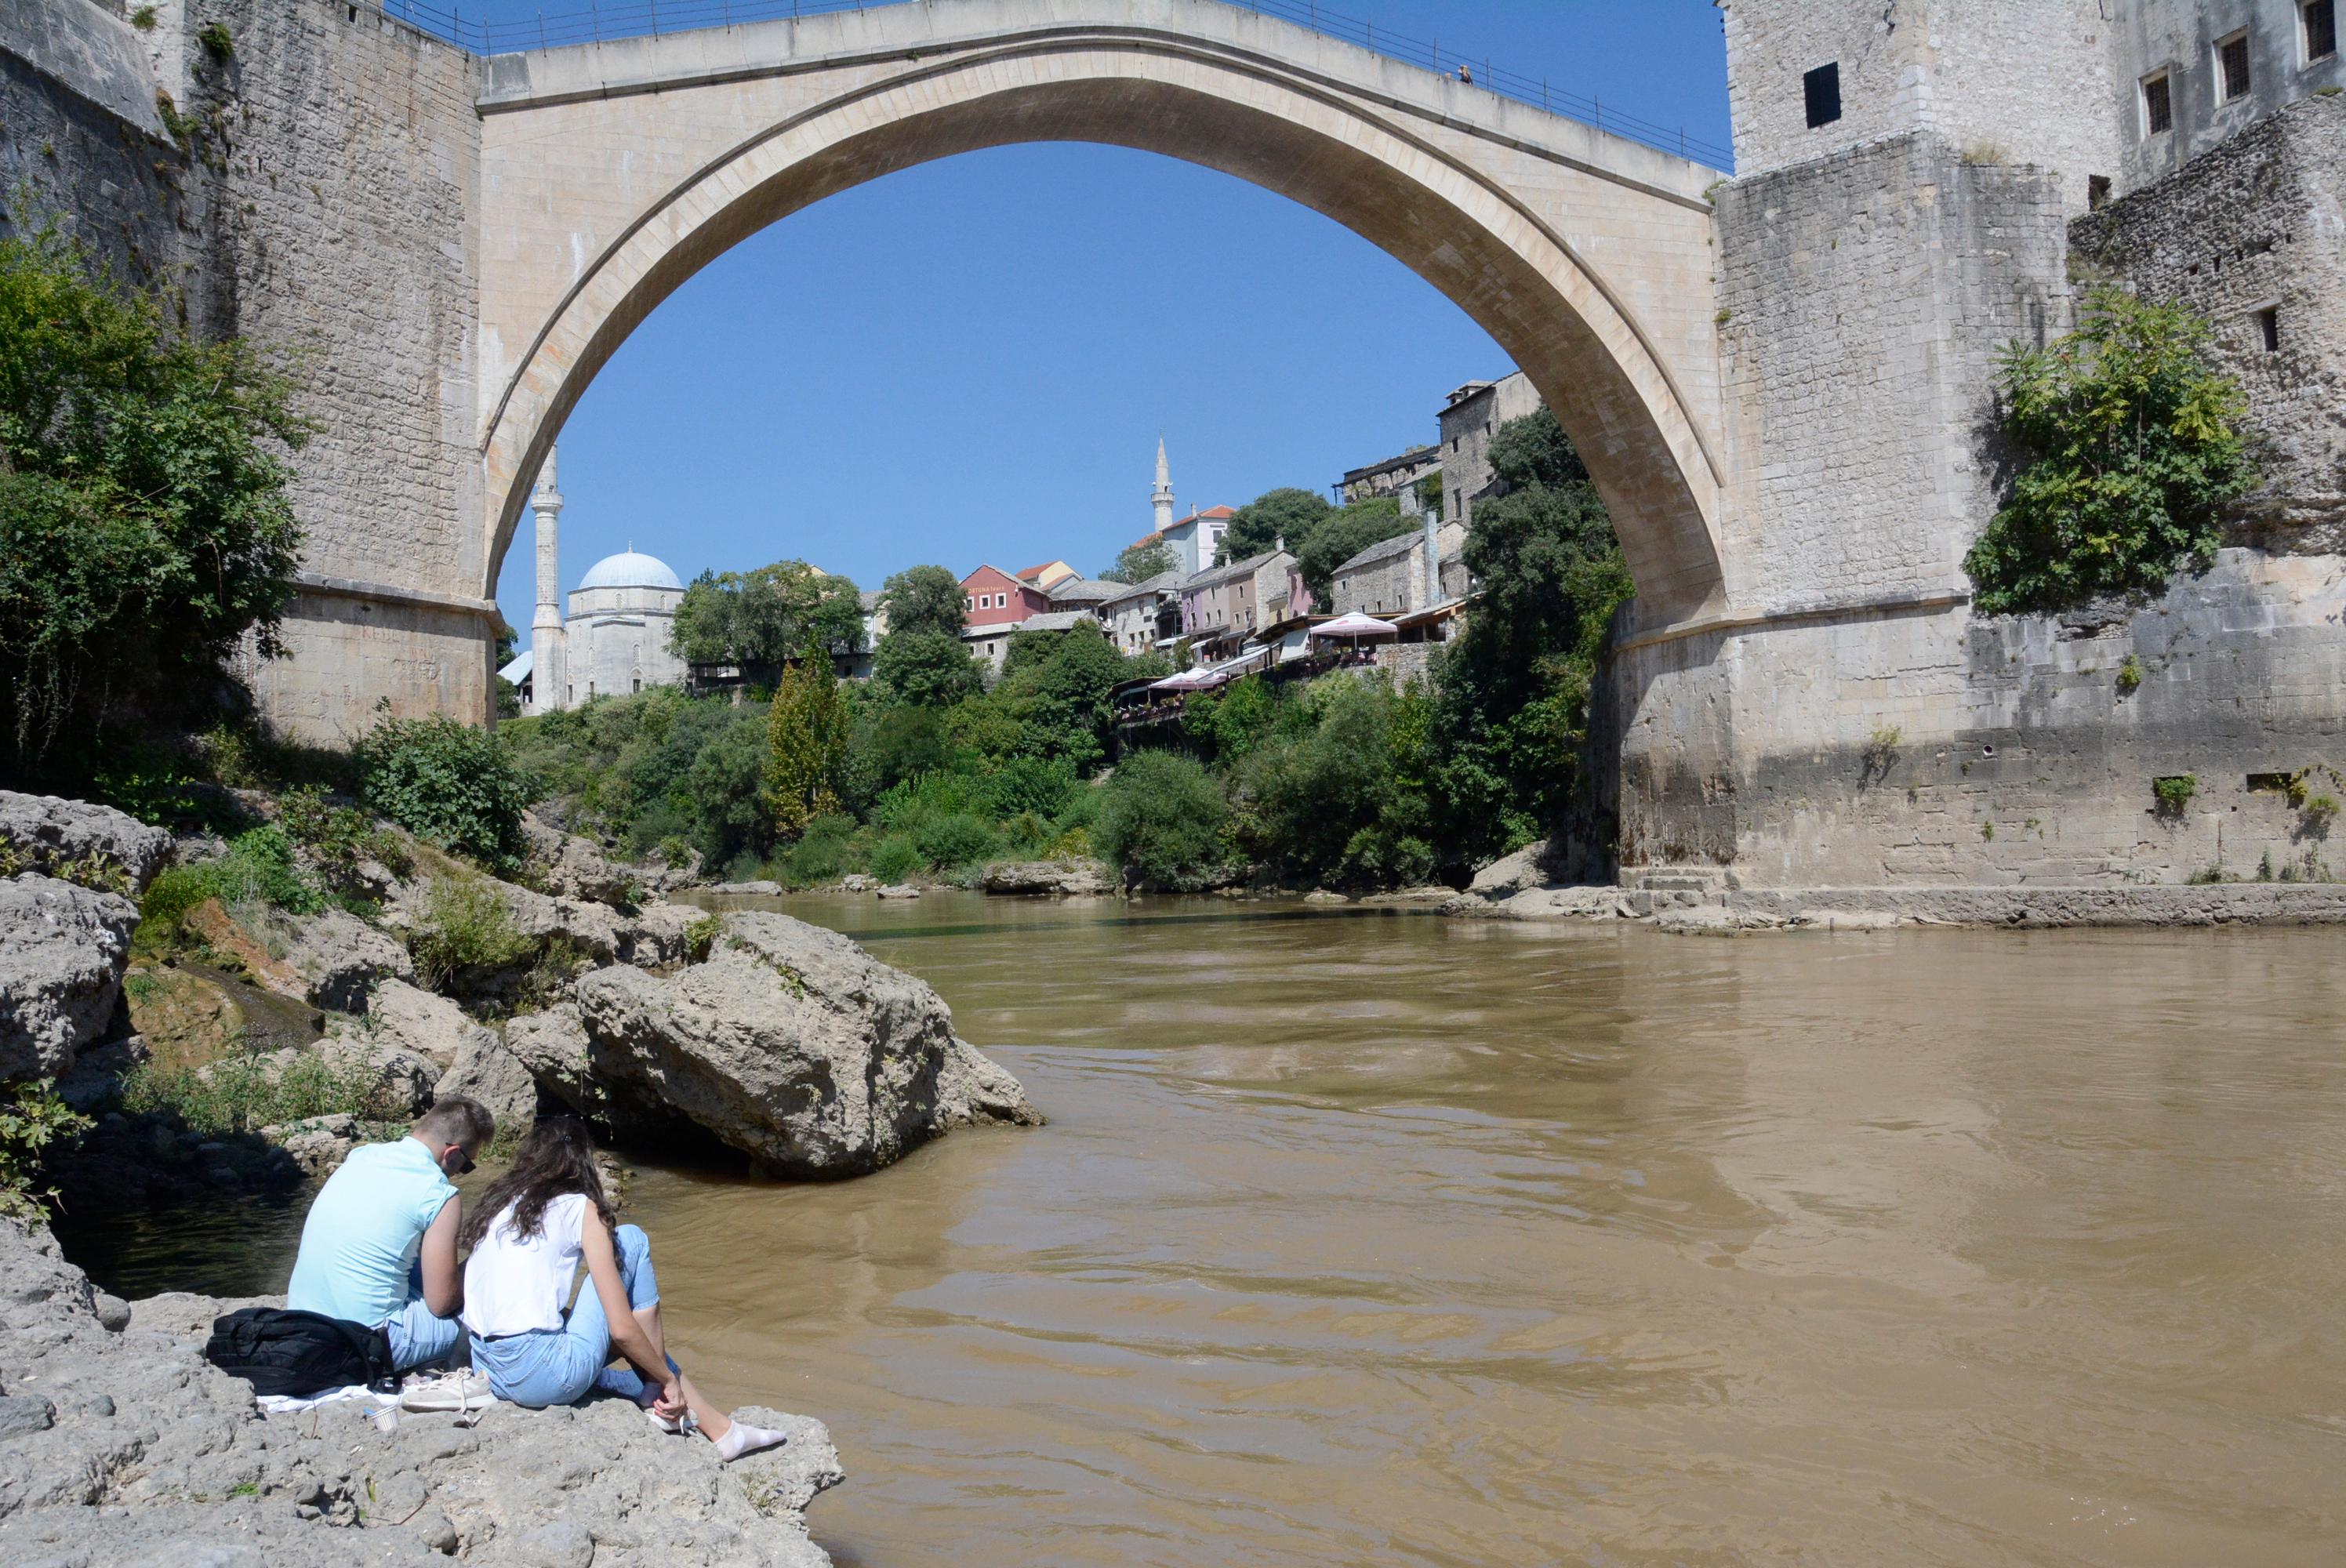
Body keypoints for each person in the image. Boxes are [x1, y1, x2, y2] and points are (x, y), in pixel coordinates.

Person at [459, 1117, 788, 1463]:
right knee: (630, 1240)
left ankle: (720, 1429)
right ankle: (659, 1394)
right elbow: (621, 1328)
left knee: (598, 1313)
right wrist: (667, 1380)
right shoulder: (578, 1207)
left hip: (489, 1369)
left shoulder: (501, 1204)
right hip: (543, 1376)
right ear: (583, 1163)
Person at [285, 1097, 496, 1372]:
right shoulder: (438, 1194)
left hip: (304, 1322)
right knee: (492, 1309)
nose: (461, 1173)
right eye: (467, 1165)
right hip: (367, 1340)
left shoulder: (362, 1156)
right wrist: (482, 1266)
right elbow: (442, 1303)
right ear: (452, 1154)